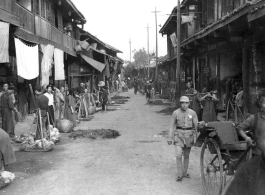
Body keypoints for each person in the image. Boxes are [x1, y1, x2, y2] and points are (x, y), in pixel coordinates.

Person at [168, 96, 198, 182]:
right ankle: (180, 174)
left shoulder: (193, 113)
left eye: (186, 103)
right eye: (182, 103)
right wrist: (170, 137)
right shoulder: (175, 113)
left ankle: (185, 173)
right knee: (178, 155)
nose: (184, 105)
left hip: (189, 136)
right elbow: (171, 126)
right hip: (179, 136)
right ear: (180, 103)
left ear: (189, 103)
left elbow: (196, 127)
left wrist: (197, 138)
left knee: (186, 155)